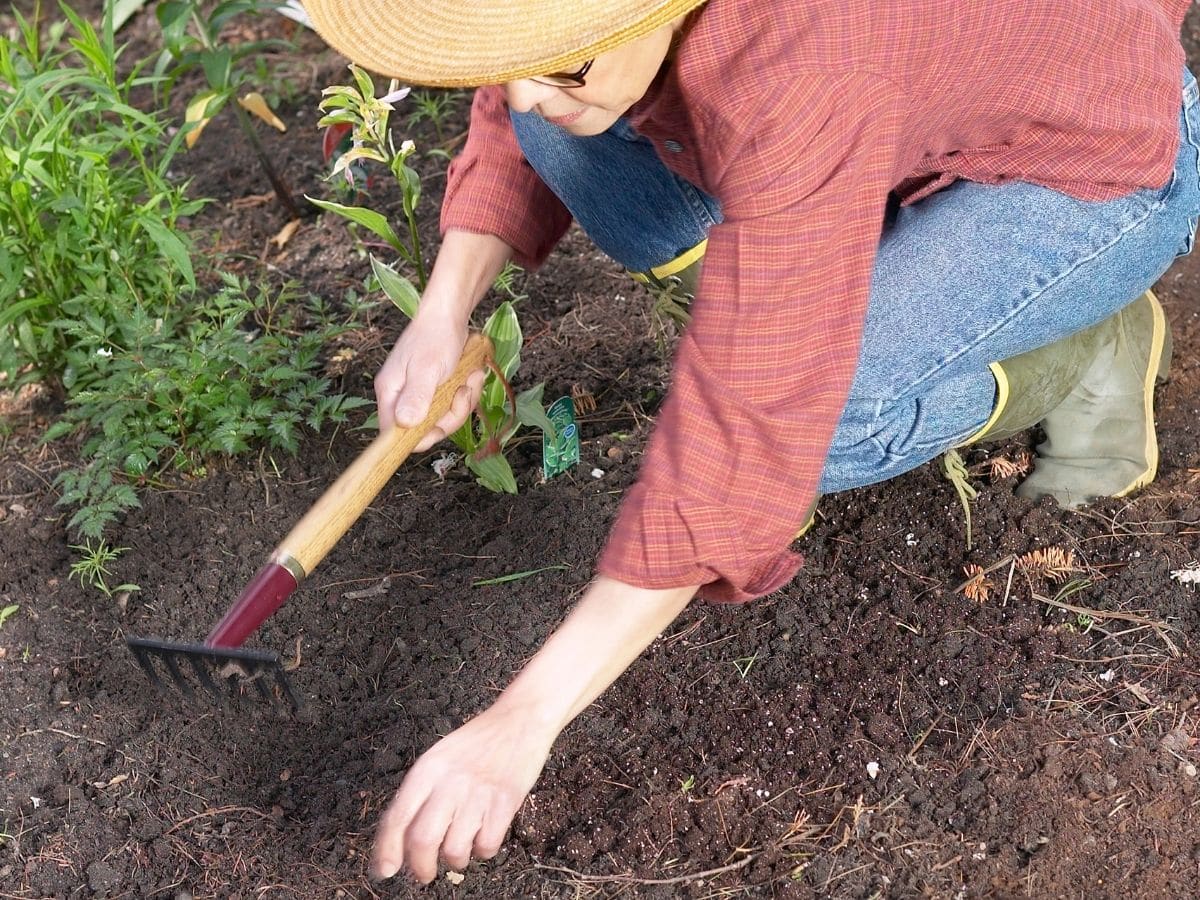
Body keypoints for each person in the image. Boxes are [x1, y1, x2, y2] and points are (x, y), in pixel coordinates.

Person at [305, 0, 1198, 884]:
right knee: (562, 138)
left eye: (563, 67)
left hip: (1085, 166)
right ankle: (851, 259)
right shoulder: (599, 43)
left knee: (830, 411)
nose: (527, 93)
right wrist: (439, 315)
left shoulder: (805, 69)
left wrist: (521, 719)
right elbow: (522, 82)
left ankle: (1081, 350)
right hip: (891, 111)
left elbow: (751, 427)